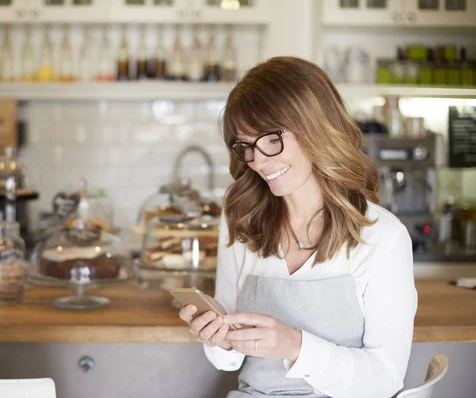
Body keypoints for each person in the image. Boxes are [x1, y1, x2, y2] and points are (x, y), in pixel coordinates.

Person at [178, 57, 418, 398]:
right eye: (245, 146)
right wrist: (219, 338)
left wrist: (296, 345)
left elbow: (384, 378)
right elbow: (227, 362)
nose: (258, 161)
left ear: (314, 128)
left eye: (271, 139)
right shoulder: (241, 218)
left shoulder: (381, 236)